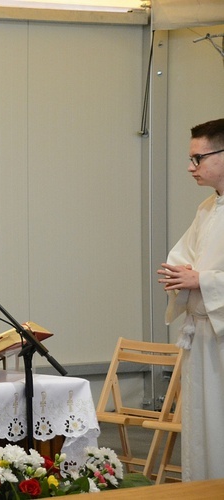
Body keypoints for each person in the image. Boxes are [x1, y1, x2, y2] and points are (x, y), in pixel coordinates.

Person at [157, 117, 224, 481]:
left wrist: (203, 281)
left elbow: (199, 274)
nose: (190, 167)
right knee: (201, 427)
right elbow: (182, 257)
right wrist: (178, 276)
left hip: (222, 335)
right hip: (203, 337)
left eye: (198, 158)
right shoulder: (207, 209)